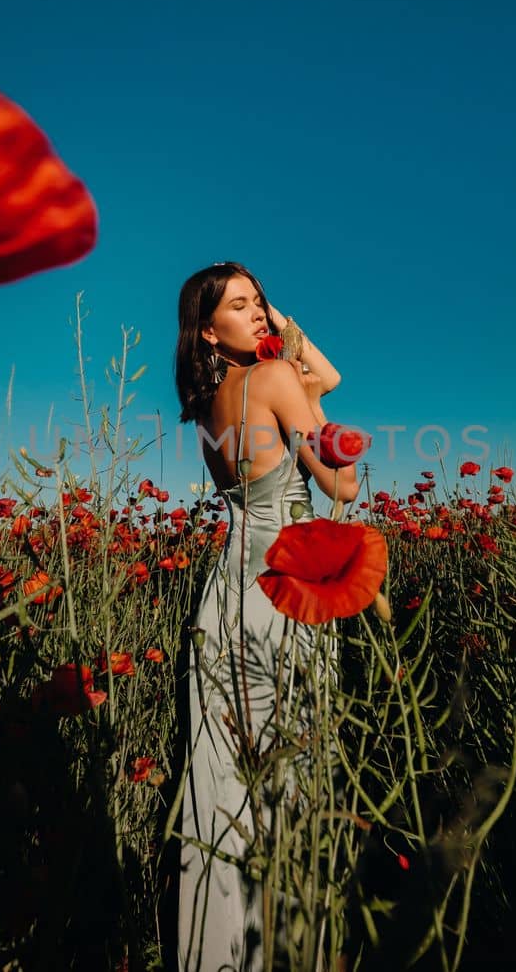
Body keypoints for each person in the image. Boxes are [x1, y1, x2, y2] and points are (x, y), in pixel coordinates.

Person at [172, 262, 359, 971]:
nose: (259, 315)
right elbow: (340, 483)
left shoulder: (210, 403)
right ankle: (293, 950)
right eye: (240, 306)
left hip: (226, 596)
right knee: (292, 772)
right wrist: (292, 356)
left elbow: (329, 379)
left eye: (261, 302)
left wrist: (276, 328)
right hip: (286, 590)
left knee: (228, 785)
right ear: (209, 330)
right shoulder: (275, 382)